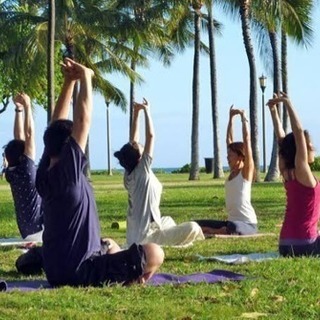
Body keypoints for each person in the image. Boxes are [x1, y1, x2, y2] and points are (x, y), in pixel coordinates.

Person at [32, 58, 163, 287]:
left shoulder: (44, 173)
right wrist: (86, 78)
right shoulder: (68, 174)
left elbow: (56, 124)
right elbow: (83, 120)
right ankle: (133, 279)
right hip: (81, 272)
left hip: (55, 270)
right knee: (155, 253)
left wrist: (68, 83)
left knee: (110, 245)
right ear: (67, 148)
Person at [114, 98, 204, 247]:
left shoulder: (129, 173)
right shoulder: (142, 170)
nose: (141, 145)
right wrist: (147, 111)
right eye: (141, 148)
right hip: (147, 238)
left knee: (167, 220)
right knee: (193, 227)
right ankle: (180, 242)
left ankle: (172, 239)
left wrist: (136, 114)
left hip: (136, 236)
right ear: (140, 158)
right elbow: (151, 137)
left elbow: (132, 141)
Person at [267, 92, 320, 257]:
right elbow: (297, 132)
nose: (313, 148)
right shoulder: (301, 170)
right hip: (305, 246)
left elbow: (281, 140)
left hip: (285, 245)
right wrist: (288, 103)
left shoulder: (287, 173)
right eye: (310, 145)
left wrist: (273, 111)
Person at [195, 106, 258, 236]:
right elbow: (228, 139)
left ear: (240, 156)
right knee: (195, 223)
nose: (227, 157)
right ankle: (216, 230)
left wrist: (243, 118)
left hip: (248, 224)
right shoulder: (232, 172)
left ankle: (214, 231)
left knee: (233, 227)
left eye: (230, 155)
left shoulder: (245, 172)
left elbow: (247, 140)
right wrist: (230, 119)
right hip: (230, 221)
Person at [4, 93, 43, 241]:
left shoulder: (11, 173)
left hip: (26, 231)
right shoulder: (27, 170)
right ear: (23, 156)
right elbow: (29, 134)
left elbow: (19, 138)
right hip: (40, 231)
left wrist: (18, 110)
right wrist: (27, 106)